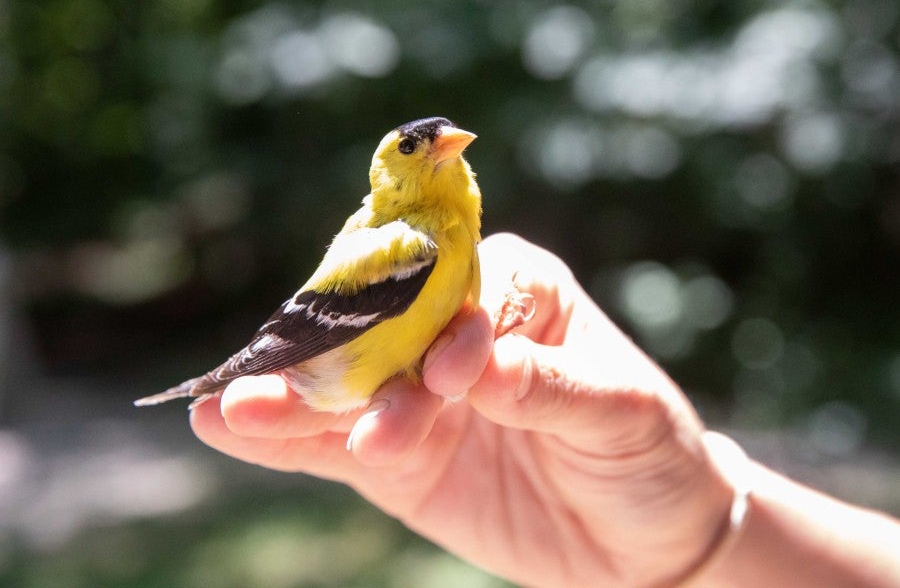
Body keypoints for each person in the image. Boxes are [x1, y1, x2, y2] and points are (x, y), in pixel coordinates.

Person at [189, 233, 900, 587]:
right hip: (339, 362)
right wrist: (702, 535)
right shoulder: (403, 244)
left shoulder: (443, 238)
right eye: (417, 145)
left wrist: (699, 541)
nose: (448, 146)